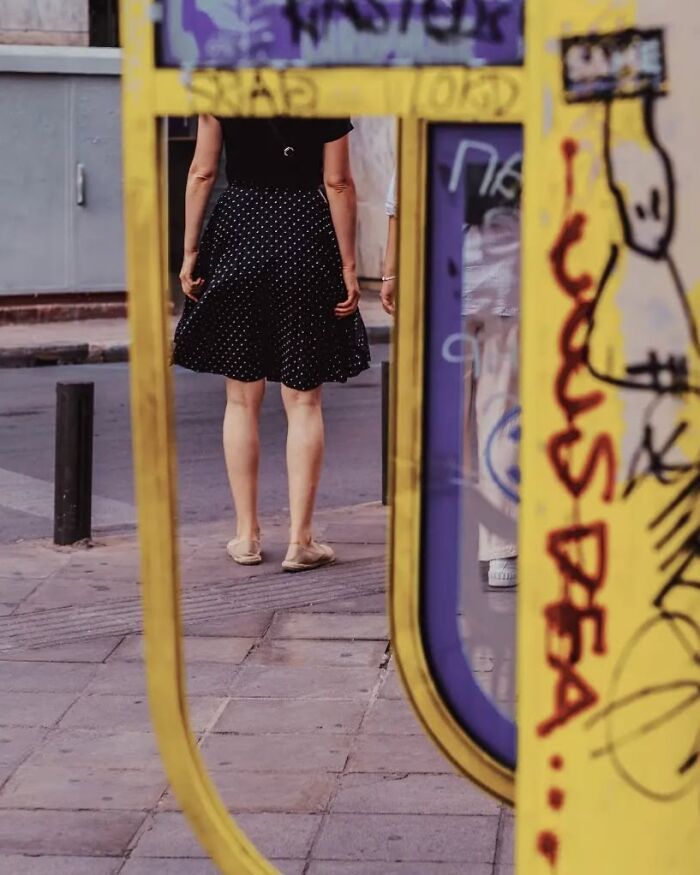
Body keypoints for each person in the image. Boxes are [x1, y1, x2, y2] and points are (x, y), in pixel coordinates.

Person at [173, 115, 370, 572]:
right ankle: (301, 540)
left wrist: (190, 251)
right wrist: (348, 266)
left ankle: (246, 537)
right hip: (304, 236)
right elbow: (338, 183)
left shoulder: (223, 87)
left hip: (239, 232)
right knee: (303, 401)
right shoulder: (322, 93)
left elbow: (201, 172)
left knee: (241, 399)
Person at [380, 167, 519, 588]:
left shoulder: (434, 126)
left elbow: (400, 201)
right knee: (500, 420)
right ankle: (501, 552)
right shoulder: (515, 131)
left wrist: (391, 272)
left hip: (441, 282)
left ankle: (448, 541)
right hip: (507, 282)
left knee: (443, 422)